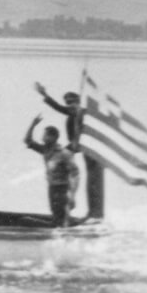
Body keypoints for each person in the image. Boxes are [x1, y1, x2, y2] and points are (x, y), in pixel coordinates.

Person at [35, 82, 105, 219]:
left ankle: (91, 211)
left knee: (88, 172)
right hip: (75, 144)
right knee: (58, 159)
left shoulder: (78, 110)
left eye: (72, 102)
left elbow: (59, 108)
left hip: (82, 144)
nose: (69, 105)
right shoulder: (73, 113)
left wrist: (45, 95)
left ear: (77, 102)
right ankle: (65, 202)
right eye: (67, 102)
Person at [24, 115, 80, 227]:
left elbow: (75, 173)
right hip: (52, 187)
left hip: (62, 188)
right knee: (56, 215)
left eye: (45, 135)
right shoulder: (45, 150)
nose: (42, 138)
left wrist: (72, 195)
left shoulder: (64, 153)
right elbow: (28, 141)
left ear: (53, 137)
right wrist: (33, 124)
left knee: (61, 219)